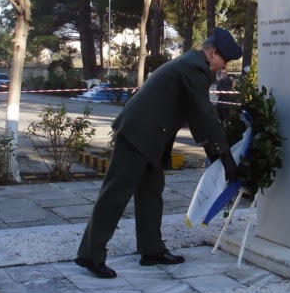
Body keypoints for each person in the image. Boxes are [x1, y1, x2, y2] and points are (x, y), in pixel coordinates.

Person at [75, 28, 243, 279]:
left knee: (151, 193)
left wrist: (216, 153)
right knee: (115, 193)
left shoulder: (192, 63)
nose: (223, 67)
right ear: (213, 52)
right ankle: (89, 254)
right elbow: (205, 114)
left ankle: (151, 249)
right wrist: (225, 156)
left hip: (152, 137)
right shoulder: (196, 69)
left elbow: (197, 117)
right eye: (224, 60)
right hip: (138, 135)